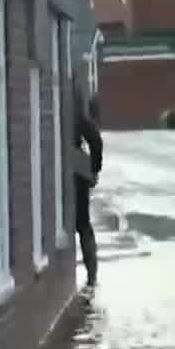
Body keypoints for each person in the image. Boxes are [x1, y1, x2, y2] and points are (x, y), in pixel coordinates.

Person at [72, 85, 104, 287]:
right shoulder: (77, 115)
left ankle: (92, 276)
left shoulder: (73, 116)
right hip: (77, 170)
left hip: (73, 170)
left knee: (82, 224)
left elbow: (94, 139)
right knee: (83, 224)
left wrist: (93, 169)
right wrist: (93, 170)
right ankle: (92, 276)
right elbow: (95, 139)